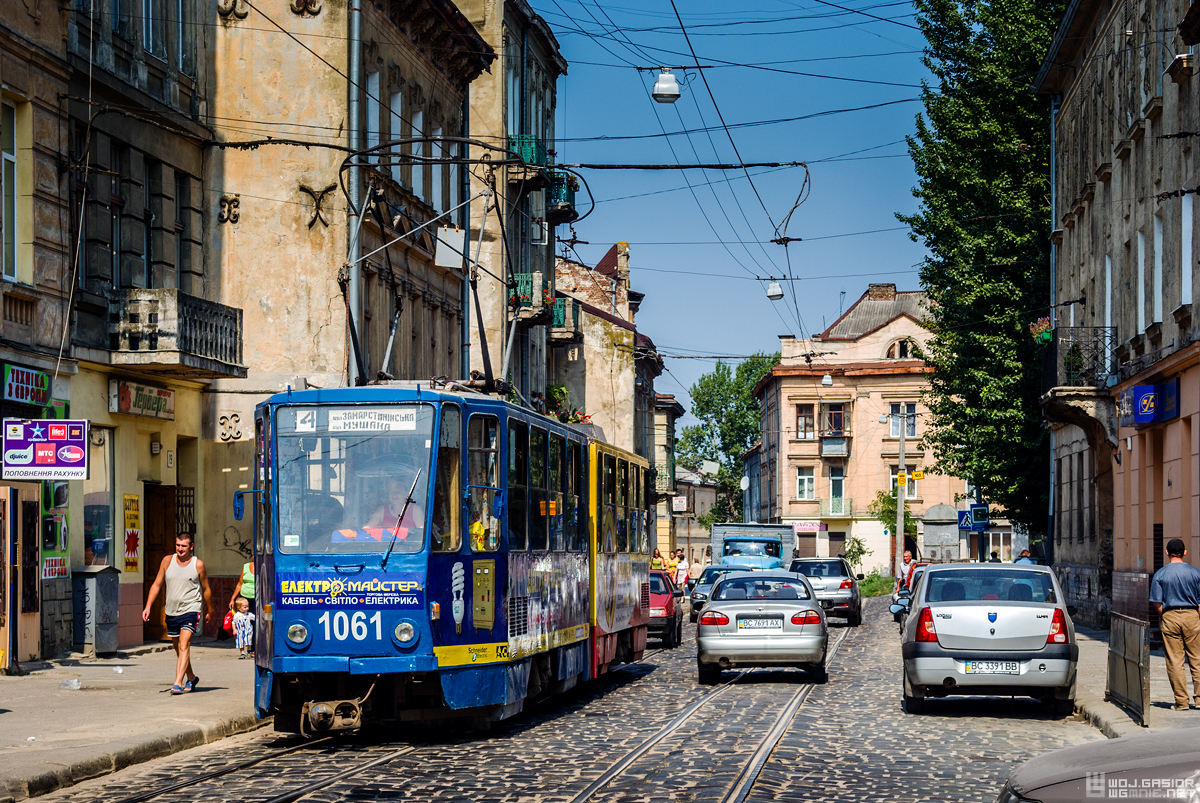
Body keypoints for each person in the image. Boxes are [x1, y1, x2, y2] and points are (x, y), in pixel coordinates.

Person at [143, 533, 213, 694]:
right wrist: (148, 607)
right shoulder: (167, 561)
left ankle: (177, 682)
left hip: (191, 609)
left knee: (184, 644)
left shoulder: (198, 565)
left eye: (184, 546)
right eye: (178, 545)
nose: (180, 549)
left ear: (191, 547)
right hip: (172, 611)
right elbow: (156, 585)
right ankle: (192, 677)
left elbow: (206, 589)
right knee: (178, 647)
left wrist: (210, 609)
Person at [1149, 538, 1200, 711]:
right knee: (1197, 659)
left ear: (1167, 553)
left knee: (1175, 661)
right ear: (1185, 552)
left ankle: (1181, 702)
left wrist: (1166, 615)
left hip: (1170, 615)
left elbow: (1156, 602)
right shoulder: (1195, 573)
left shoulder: (1160, 574)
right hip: (1192, 615)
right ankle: (1199, 699)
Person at [228, 559, 255, 655]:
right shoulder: (246, 566)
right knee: (242, 623)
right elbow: (240, 584)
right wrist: (232, 599)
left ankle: (253, 649)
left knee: (254, 624)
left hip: (257, 599)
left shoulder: (263, 565)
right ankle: (243, 649)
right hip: (244, 600)